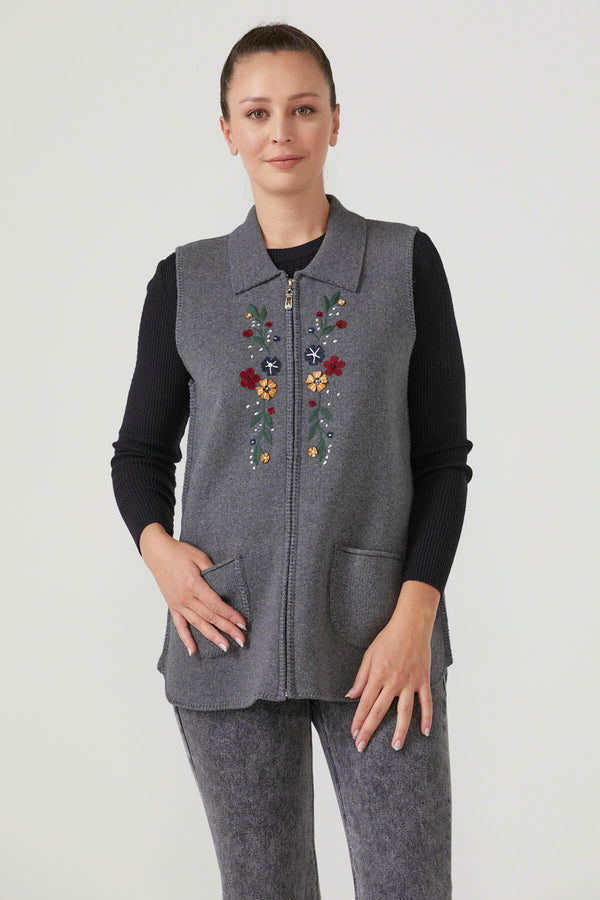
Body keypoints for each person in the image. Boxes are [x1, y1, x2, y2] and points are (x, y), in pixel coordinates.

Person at [110, 21, 473, 900]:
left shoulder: (404, 263)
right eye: (258, 112)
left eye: (304, 109)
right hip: (225, 636)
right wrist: (163, 558)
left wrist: (417, 615)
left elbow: (443, 461)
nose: (282, 132)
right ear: (228, 130)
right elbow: (140, 455)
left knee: (409, 886)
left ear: (335, 121)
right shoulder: (186, 282)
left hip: (380, 643)